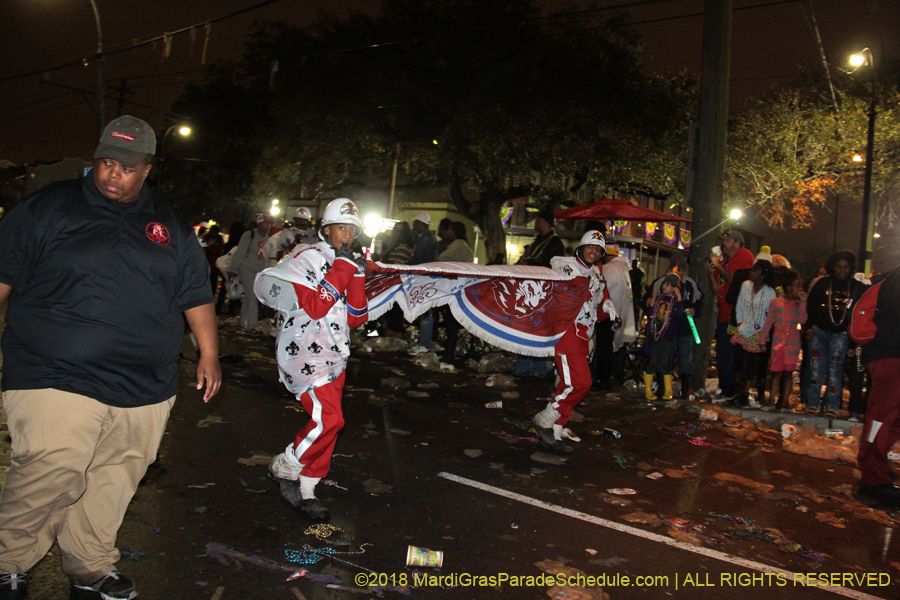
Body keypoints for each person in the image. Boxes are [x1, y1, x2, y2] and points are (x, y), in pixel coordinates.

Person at [0, 115, 221, 600]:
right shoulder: (45, 208)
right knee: (53, 465)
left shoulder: (169, 224)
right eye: (104, 162)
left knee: (116, 475)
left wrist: (209, 353)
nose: (112, 174)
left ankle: (90, 566)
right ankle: (8, 561)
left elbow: (194, 292)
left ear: (147, 168)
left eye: (125, 166)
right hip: (52, 370)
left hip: (145, 383)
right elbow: (4, 275)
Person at [256, 198, 368, 522]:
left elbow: (357, 317)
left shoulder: (345, 262)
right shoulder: (306, 258)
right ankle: (286, 464)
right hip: (306, 352)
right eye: (342, 228)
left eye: (353, 230)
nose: (347, 235)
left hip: (336, 354)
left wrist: (357, 274)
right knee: (330, 421)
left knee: (329, 429)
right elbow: (316, 307)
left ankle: (307, 488)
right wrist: (344, 268)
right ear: (327, 229)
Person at [532, 231, 619, 454]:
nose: (594, 252)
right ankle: (545, 418)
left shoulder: (596, 275)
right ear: (580, 248)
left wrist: (606, 306)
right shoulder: (566, 265)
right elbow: (570, 289)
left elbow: (593, 310)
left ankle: (556, 431)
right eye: (591, 247)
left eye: (598, 250)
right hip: (566, 331)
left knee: (568, 385)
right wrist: (599, 288)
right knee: (579, 383)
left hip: (583, 335)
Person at [856, 266, 900, 508]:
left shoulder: (892, 278)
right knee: (881, 420)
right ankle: (873, 479)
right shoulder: (896, 281)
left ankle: (876, 465)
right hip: (891, 356)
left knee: (887, 420)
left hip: (888, 354)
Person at [803, 250, 864, 418]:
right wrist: (808, 327)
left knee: (835, 370)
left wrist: (853, 343)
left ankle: (832, 405)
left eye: (845, 267)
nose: (842, 270)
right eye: (838, 267)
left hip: (842, 335)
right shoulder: (821, 284)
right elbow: (810, 307)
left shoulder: (856, 287)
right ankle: (812, 403)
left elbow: (859, 314)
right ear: (833, 267)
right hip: (818, 332)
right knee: (816, 370)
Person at [515, 208, 566, 379]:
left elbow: (555, 270)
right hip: (527, 293)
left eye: (536, 220)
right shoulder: (538, 241)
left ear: (543, 221)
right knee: (523, 330)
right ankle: (522, 367)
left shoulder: (555, 243)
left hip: (542, 294)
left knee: (538, 332)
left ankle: (539, 370)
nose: (534, 223)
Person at [644, 253, 702, 398]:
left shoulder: (689, 284)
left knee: (685, 358)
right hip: (663, 331)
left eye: (681, 270)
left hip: (684, 328)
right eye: (676, 270)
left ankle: (684, 390)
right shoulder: (660, 283)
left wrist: (695, 309)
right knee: (662, 359)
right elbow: (647, 302)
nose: (679, 273)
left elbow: (699, 300)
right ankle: (662, 389)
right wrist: (650, 301)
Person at [707, 230, 755, 397]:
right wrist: (711, 271)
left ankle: (732, 389)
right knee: (723, 353)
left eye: (726, 241)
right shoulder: (726, 262)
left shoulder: (743, 255)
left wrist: (718, 266)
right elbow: (716, 289)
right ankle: (726, 387)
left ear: (736, 242)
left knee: (731, 353)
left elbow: (733, 279)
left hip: (735, 315)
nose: (724, 244)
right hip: (724, 313)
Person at [729, 260, 778, 407]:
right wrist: (739, 323)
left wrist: (763, 333)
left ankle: (745, 391)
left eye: (755, 271)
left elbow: (771, 315)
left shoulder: (770, 292)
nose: (752, 272)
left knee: (751, 362)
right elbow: (739, 305)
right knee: (738, 358)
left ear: (762, 275)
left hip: (759, 330)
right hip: (744, 327)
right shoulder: (746, 285)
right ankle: (736, 385)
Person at [757, 271, 806, 411]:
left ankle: (784, 401)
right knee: (776, 372)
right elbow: (769, 322)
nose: (799, 289)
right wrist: (762, 339)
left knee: (788, 373)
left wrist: (802, 303)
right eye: (797, 286)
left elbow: (802, 320)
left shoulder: (798, 304)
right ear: (789, 287)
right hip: (777, 343)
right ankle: (771, 401)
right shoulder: (776, 302)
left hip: (793, 344)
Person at [593, 244, 637, 389]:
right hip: (616, 316)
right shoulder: (622, 270)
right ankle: (606, 377)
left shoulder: (610, 269)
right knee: (609, 348)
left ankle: (601, 379)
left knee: (603, 348)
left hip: (606, 315)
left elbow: (598, 289)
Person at [228, 214, 273, 335]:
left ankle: (241, 324)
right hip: (246, 269)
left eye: (269, 223)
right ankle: (253, 326)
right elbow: (240, 252)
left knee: (249, 298)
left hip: (259, 272)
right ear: (259, 224)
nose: (268, 226)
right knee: (253, 297)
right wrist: (233, 269)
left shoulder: (269, 238)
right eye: (265, 223)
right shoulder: (250, 235)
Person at [642, 274, 684, 401]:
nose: (664, 286)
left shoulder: (675, 302)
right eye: (664, 284)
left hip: (667, 338)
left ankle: (668, 391)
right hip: (655, 336)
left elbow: (679, 313)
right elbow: (651, 313)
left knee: (665, 364)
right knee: (652, 362)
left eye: (667, 285)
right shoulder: (660, 299)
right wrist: (653, 298)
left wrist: (679, 296)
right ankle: (648, 390)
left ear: (674, 288)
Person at [437, 222, 474, 360]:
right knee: (450, 321)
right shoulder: (463, 245)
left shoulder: (459, 244)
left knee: (450, 322)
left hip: (455, 287)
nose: (447, 233)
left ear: (455, 231)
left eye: (450, 230)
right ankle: (448, 351)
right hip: (460, 287)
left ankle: (449, 353)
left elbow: (442, 258)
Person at [408, 212, 440, 353]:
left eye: (415, 223)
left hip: (424, 279)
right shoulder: (427, 238)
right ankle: (425, 342)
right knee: (425, 311)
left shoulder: (426, 240)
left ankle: (424, 343)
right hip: (427, 278)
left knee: (425, 312)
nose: (413, 225)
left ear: (421, 224)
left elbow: (421, 261)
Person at [379, 222, 414, 339]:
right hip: (391, 285)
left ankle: (394, 341)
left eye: (397, 231)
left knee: (394, 316)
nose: (394, 233)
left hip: (396, 286)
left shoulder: (402, 248)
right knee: (391, 315)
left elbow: (396, 267)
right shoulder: (395, 247)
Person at [204, 224, 225, 297]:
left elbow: (221, 251)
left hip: (214, 265)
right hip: (206, 263)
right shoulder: (206, 238)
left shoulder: (219, 240)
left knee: (213, 281)